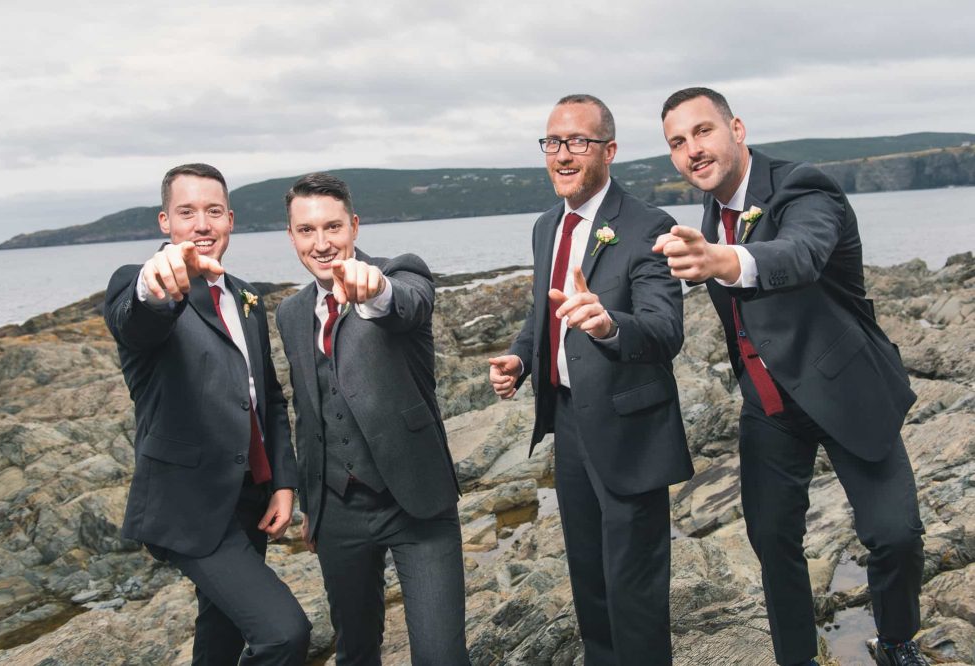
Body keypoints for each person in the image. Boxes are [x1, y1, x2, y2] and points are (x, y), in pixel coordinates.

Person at [657, 87, 927, 666]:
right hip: (769, 403)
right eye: (677, 143)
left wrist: (725, 260)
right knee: (773, 539)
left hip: (844, 385)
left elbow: (800, 253)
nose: (692, 151)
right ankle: (796, 657)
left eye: (703, 132)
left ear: (738, 128)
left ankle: (898, 641)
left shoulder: (803, 185)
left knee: (895, 535)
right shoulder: (710, 209)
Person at [488, 95, 693, 666]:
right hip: (569, 427)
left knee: (635, 588)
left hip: (631, 429)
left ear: (609, 151)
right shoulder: (545, 225)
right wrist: (520, 359)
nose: (562, 154)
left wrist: (606, 324)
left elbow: (664, 330)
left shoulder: (650, 225)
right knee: (589, 581)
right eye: (552, 142)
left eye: (577, 141)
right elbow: (542, 314)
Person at [103, 163, 311, 664]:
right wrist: (157, 288)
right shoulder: (140, 283)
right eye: (187, 212)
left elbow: (268, 398)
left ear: (230, 220)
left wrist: (282, 482)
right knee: (285, 634)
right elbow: (138, 322)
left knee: (220, 633)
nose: (201, 224)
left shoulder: (246, 297)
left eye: (213, 211)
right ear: (164, 222)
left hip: (249, 499)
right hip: (189, 505)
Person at [275, 173, 469, 666]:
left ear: (355, 226)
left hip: (416, 502)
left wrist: (375, 287)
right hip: (337, 512)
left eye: (333, 227)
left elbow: (408, 304)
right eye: (306, 230)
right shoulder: (292, 314)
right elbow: (308, 411)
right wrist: (310, 504)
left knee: (441, 658)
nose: (321, 243)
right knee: (356, 653)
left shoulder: (401, 274)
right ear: (292, 236)